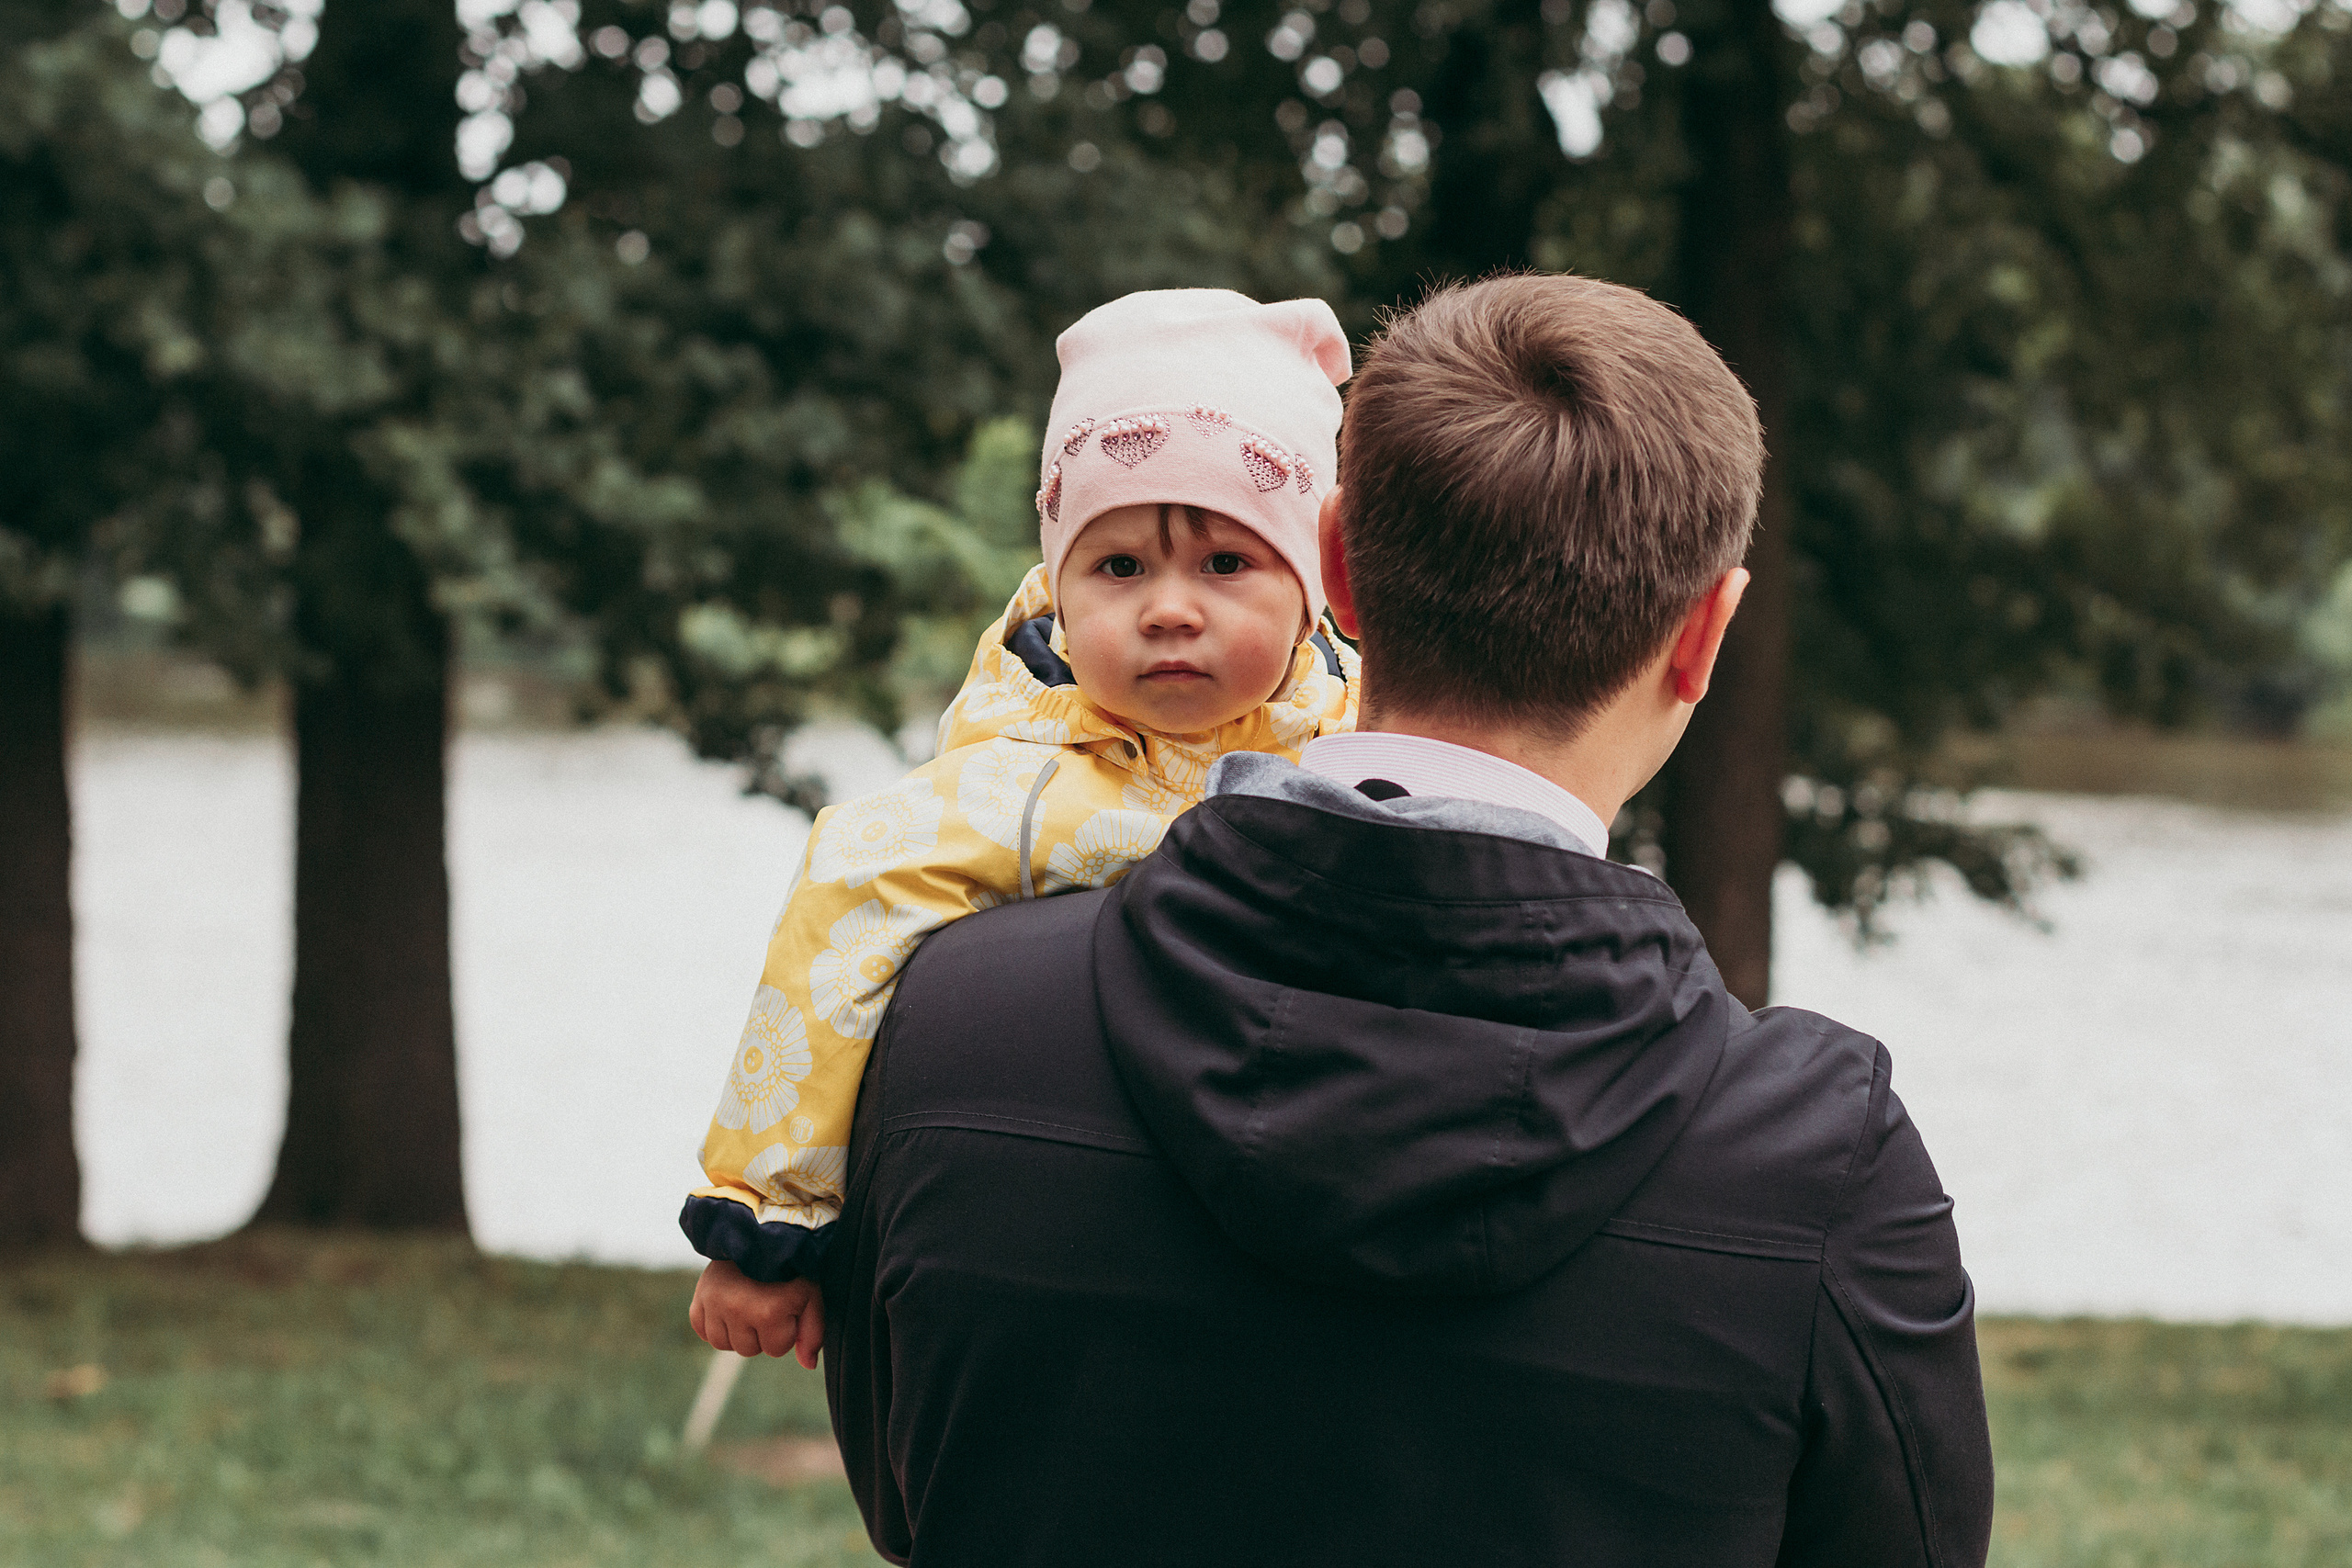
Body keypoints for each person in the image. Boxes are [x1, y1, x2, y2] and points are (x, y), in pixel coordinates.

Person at [702, 271, 1998, 1565]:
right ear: (1705, 633)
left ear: (1334, 568)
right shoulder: (1820, 1162)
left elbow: (910, 1486)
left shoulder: (951, 1027)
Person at [681, 289, 1363, 1356]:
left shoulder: (1367, 740)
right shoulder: (1008, 784)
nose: (1170, 607)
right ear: (1055, 581)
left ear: (1316, 584)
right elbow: (837, 925)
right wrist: (763, 1226)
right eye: (1119, 566)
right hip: (1067, 1234)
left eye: (1226, 563)